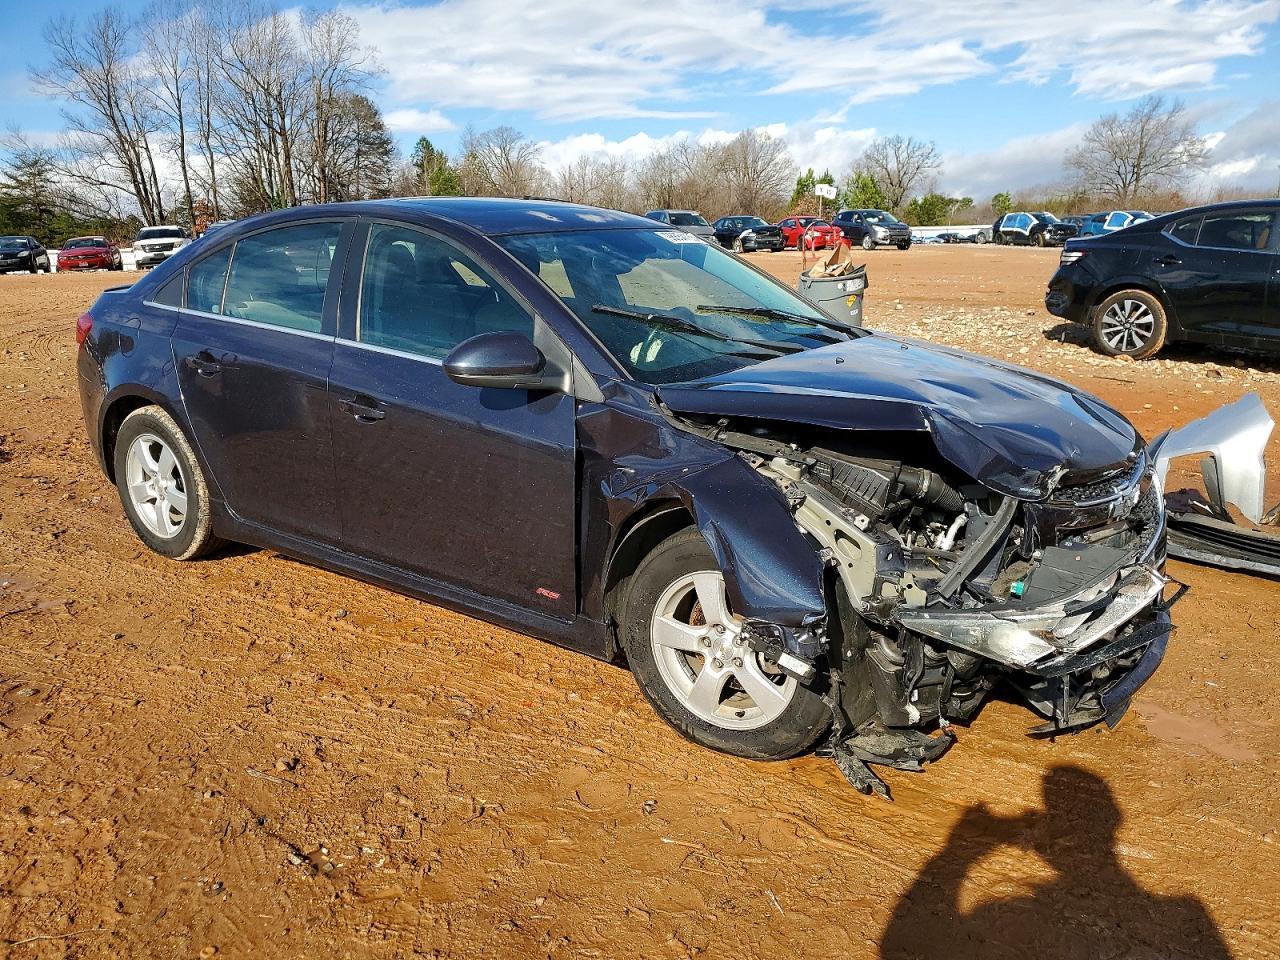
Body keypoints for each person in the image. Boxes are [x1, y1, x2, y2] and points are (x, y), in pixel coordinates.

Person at [881, 765, 1232, 960]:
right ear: (1115, 820)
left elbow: (893, 943)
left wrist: (957, 851)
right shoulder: (1190, 912)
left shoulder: (995, 909)